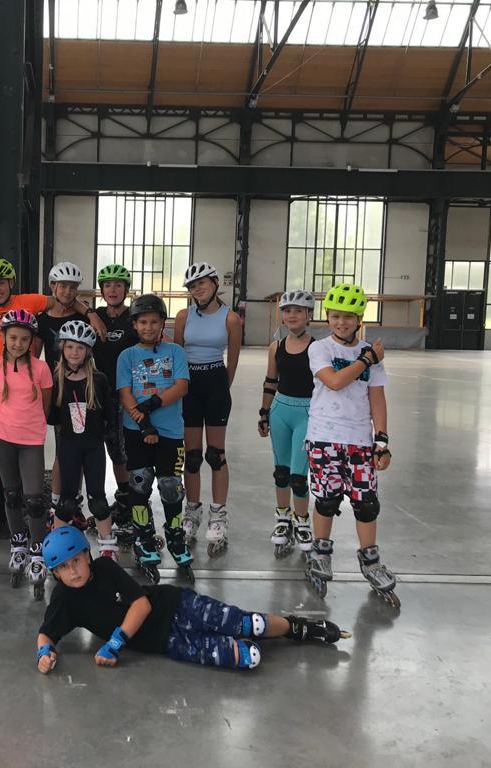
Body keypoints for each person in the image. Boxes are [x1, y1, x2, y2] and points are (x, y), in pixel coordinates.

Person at [34, 526, 348, 674]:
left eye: (76, 561)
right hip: (163, 642)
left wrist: (116, 642)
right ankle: (244, 639)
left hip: (174, 606)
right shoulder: (64, 599)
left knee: (248, 624)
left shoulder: (105, 568)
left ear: (87, 556)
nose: (73, 571)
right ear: (55, 573)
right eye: (63, 567)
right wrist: (44, 654)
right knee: (248, 657)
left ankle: (297, 628)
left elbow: (141, 604)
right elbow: (46, 632)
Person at [0, 258, 107, 533]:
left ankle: (57, 505)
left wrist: (90, 313)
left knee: (63, 445)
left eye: (1, 283)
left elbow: (62, 299)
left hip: (33, 386)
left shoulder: (29, 301)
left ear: (11, 283)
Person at [304, 283, 398, 608]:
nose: (341, 322)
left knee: (366, 503)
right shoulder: (320, 349)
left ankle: (370, 561)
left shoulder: (371, 352)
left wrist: (381, 439)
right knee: (327, 499)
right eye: (335, 316)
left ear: (359, 319)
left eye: (348, 317)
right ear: (327, 317)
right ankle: (321, 553)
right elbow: (334, 381)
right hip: (323, 437)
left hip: (359, 440)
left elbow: (377, 397)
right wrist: (367, 359)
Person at [116, 293, 193, 585]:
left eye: (154, 322)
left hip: (171, 431)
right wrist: (143, 423)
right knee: (139, 484)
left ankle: (175, 536)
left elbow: (182, 387)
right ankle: (143, 536)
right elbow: (125, 393)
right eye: (143, 322)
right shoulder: (127, 356)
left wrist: (152, 404)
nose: (148, 327)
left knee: (171, 487)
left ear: (163, 323)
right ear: (135, 325)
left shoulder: (175, 352)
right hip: (136, 430)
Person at [174, 262, 242, 559]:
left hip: (215, 382)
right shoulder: (183, 316)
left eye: (201, 283)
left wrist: (221, 390)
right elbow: (176, 354)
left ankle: (218, 514)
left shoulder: (231, 318)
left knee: (216, 455)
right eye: (192, 286)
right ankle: (192, 511)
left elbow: (233, 362)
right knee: (191, 456)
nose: (197, 289)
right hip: (189, 384)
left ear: (215, 283)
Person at [0, 309, 54, 600]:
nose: (18, 343)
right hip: (3, 437)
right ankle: (18, 543)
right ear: (3, 337)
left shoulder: (42, 369)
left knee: (34, 499)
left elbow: (46, 406)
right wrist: (0, 428)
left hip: (31, 440)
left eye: (24, 339)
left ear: (31, 341)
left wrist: (32, 427)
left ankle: (37, 549)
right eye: (13, 338)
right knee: (11, 494)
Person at [47, 321, 116, 559]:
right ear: (62, 349)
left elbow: (109, 414)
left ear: (88, 351)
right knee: (66, 501)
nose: (74, 352)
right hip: (69, 446)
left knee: (98, 500)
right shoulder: (56, 379)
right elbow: (52, 417)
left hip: (94, 446)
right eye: (69, 347)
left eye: (80, 348)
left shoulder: (99, 380)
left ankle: (107, 547)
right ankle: (58, 545)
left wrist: (110, 435)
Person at [259, 290, 316, 558]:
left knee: (298, 476)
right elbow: (271, 381)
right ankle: (283, 518)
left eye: (298, 311)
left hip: (307, 413)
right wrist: (264, 412)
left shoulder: (317, 348)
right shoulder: (276, 347)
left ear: (309, 315)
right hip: (280, 410)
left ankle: (302, 521)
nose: (292, 315)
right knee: (281, 472)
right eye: (287, 310)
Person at [34, 262, 90, 525]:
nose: (67, 291)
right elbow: (33, 356)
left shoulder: (83, 317)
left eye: (73, 287)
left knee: (78, 446)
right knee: (61, 448)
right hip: (56, 390)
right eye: (63, 286)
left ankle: (74, 500)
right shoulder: (43, 319)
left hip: (80, 389)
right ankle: (57, 503)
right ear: (52, 287)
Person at [91, 264, 139, 546]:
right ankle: (119, 498)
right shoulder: (95, 315)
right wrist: (89, 314)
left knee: (123, 451)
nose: (113, 290)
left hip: (126, 394)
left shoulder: (134, 317)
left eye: (118, 285)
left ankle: (128, 499)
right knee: (105, 448)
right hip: (98, 393)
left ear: (126, 289)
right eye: (107, 285)